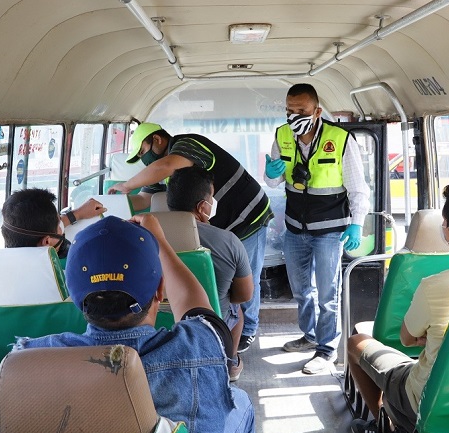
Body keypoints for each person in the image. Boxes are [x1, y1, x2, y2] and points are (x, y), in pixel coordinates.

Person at [14, 215, 260, 433]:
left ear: (75, 298)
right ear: (159, 291)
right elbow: (198, 309)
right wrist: (162, 243)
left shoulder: (31, 360)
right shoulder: (201, 345)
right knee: (241, 403)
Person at [347, 178, 449, 433]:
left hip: (425, 399)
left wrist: (430, 338)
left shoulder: (434, 286)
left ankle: (384, 432)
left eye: (444, 222)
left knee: (356, 343)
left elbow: (407, 340)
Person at [110, 123, 273, 356]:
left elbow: (167, 165)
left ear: (157, 140)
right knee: (231, 275)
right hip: (217, 222)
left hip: (249, 215)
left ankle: (248, 329)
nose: (143, 159)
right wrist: (113, 203)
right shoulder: (159, 170)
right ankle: (225, 323)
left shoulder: (187, 143)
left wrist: (126, 185)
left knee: (248, 276)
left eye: (142, 151)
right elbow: (145, 199)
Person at [264, 83, 370, 375]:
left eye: (301, 111)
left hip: (330, 231)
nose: (294, 116)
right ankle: (309, 335)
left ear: (317, 111)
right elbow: (274, 181)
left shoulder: (340, 139)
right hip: (295, 228)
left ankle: (326, 350)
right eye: (289, 110)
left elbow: (358, 189)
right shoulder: (282, 135)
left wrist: (357, 223)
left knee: (327, 293)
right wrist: (270, 173)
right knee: (301, 291)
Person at [166, 166, 254, 382]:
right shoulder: (228, 241)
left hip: (160, 319)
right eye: (212, 198)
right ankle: (230, 364)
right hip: (212, 322)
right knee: (238, 310)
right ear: (202, 206)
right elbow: (244, 295)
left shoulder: (146, 235)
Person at [0, 188, 105, 258]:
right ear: (46, 242)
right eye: (59, 223)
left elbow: (31, 229)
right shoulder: (66, 278)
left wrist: (77, 214)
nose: (62, 225)